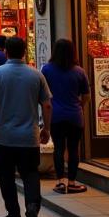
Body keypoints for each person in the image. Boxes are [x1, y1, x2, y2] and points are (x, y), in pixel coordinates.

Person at [0, 36, 52, 217]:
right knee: (30, 173)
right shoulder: (36, 75)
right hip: (29, 137)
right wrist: (46, 128)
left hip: (4, 136)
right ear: (25, 52)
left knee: (5, 176)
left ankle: (13, 214)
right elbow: (47, 104)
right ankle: (32, 205)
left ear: (5, 52)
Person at [42, 38, 90, 194]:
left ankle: (61, 181)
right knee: (73, 148)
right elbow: (86, 95)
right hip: (75, 115)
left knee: (59, 148)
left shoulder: (47, 69)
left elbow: (43, 95)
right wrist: (79, 106)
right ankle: (72, 181)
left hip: (55, 115)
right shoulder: (79, 71)